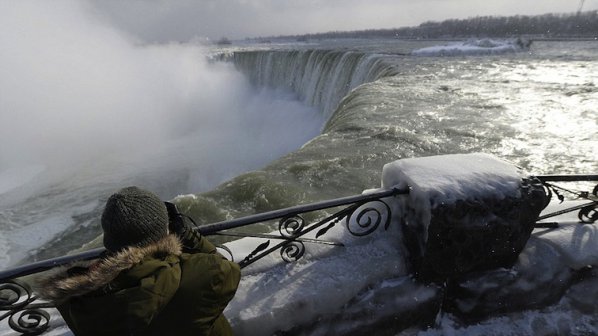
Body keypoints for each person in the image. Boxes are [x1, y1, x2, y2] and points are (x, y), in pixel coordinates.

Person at [35, 186, 241, 336]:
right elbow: (226, 269)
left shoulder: (77, 299)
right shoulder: (203, 274)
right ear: (164, 231)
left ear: (110, 239)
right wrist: (190, 237)